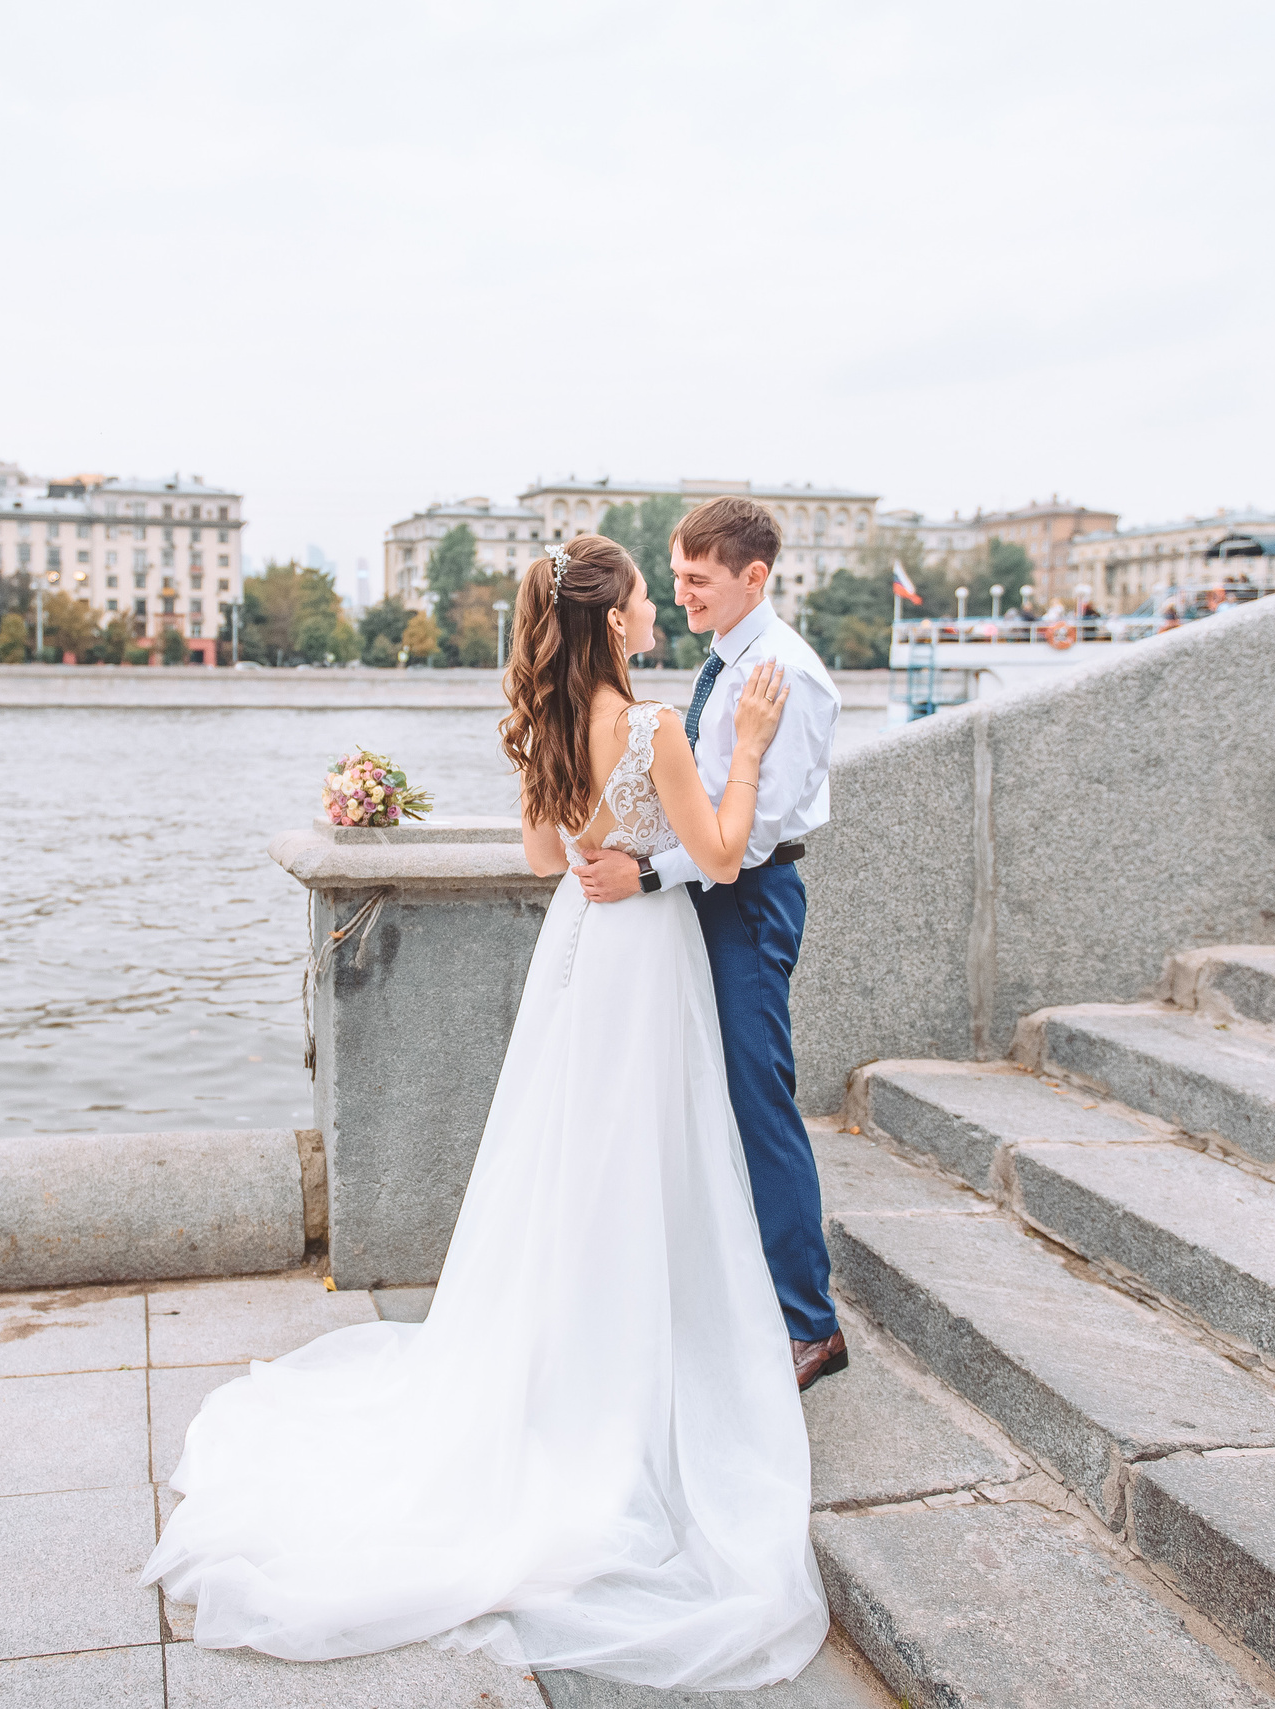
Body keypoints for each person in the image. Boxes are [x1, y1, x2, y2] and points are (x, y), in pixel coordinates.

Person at [143, 533, 828, 1691]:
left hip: (581, 954)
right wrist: (747, 750)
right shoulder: (655, 726)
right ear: (613, 620)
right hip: (646, 962)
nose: (660, 607)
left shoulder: (552, 727)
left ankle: (574, 1350)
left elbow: (537, 851)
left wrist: (603, 849)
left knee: (570, 1159)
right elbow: (716, 852)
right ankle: (637, 1358)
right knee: (639, 1155)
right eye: (648, 596)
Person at [573, 495, 846, 1390]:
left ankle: (810, 1322)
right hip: (708, 894)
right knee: (705, 1098)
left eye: (698, 578)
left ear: (752, 576)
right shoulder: (730, 662)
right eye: (677, 578)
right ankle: (732, 1296)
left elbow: (752, 837)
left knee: (759, 1102)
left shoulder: (784, 674)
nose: (683, 593)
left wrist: (650, 876)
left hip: (750, 899)